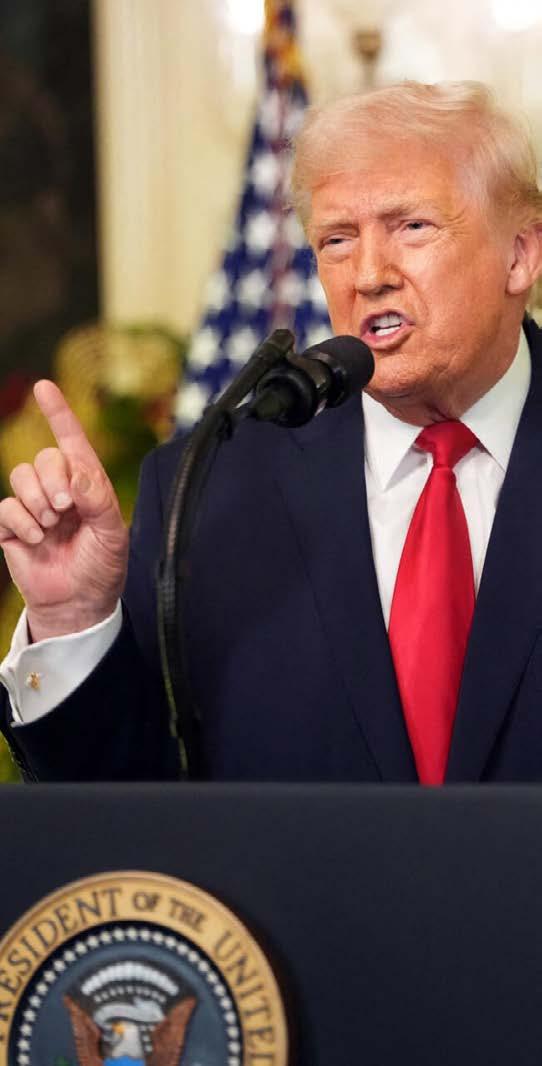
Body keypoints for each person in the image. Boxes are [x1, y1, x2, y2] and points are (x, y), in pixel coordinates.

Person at [1, 79, 542, 784]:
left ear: (520, 254)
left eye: (412, 226)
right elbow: (126, 810)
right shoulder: (208, 490)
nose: (368, 275)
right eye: (337, 240)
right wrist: (73, 621)